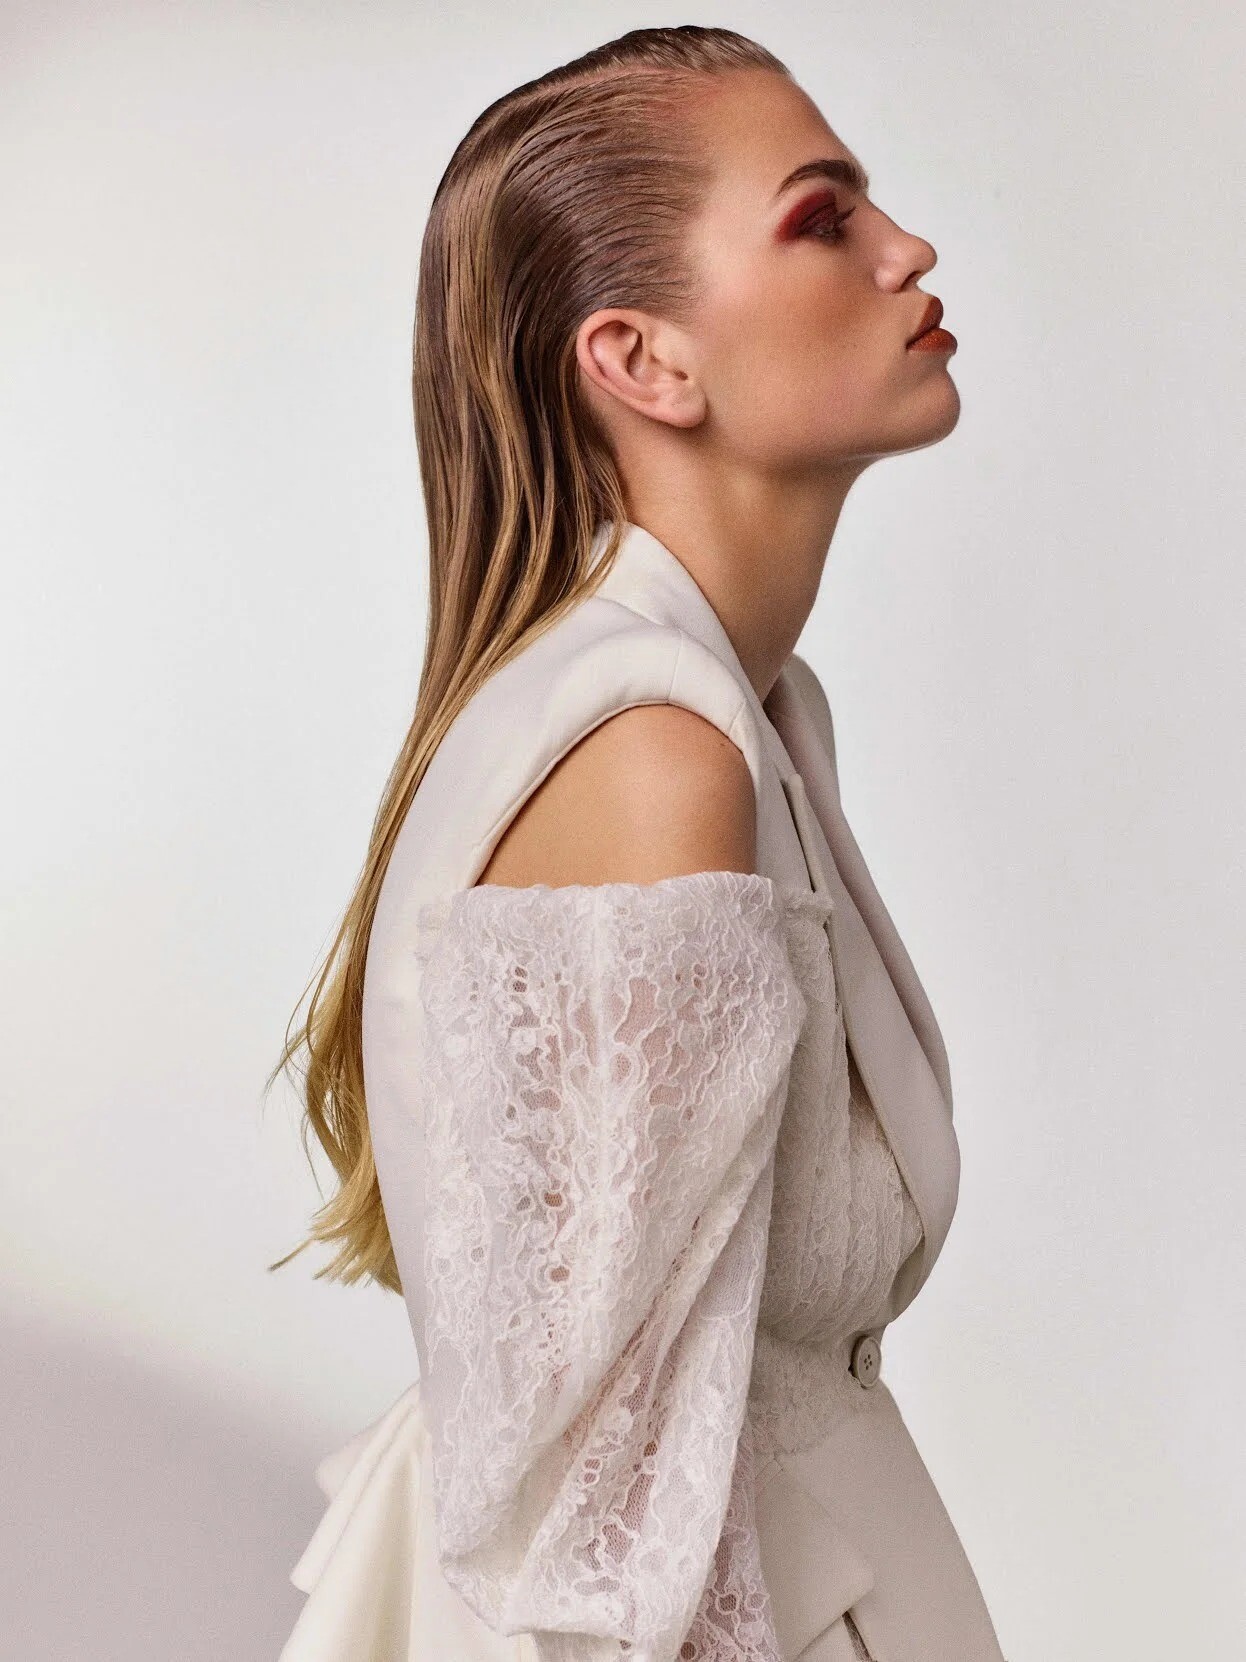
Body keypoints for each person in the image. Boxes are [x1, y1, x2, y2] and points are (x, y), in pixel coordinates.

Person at [271, 25, 1006, 1662]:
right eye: (822, 218)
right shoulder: (655, 751)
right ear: (643, 359)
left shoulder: (751, 711)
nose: (907, 249)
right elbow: (599, 1531)